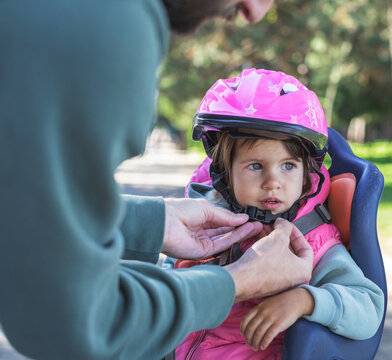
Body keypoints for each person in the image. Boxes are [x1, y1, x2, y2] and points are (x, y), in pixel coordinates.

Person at [0, 1, 315, 359]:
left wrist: (151, 223)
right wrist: (236, 283)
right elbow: (71, 319)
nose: (256, 11)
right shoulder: (104, 23)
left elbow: (19, 212)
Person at [166, 69, 385, 359]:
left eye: (288, 166)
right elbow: (166, 276)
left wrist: (304, 300)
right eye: (255, 166)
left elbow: (368, 307)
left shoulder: (312, 241)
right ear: (223, 172)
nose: (273, 181)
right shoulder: (206, 220)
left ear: (307, 173)